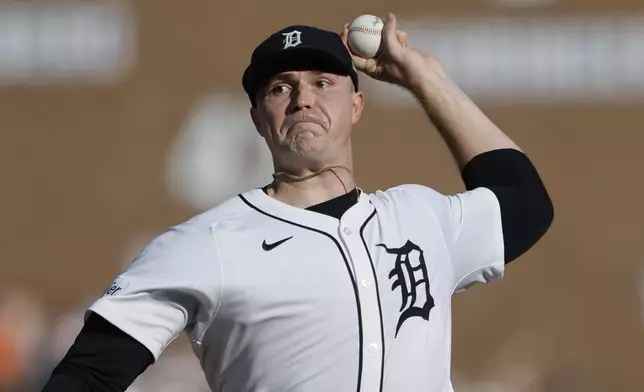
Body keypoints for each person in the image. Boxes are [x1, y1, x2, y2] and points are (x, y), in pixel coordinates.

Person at [41, 12, 554, 392]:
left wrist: (426, 80)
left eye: (322, 83)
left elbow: (526, 200)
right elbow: (86, 375)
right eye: (281, 88)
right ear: (258, 118)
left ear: (356, 105)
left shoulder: (421, 217)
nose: (303, 98)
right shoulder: (208, 244)